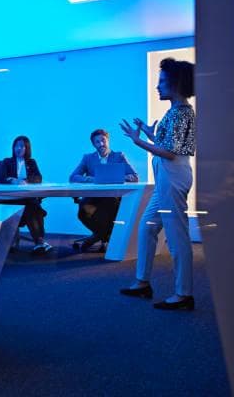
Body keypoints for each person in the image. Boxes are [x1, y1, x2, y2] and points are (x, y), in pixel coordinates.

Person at [119, 58, 196, 311]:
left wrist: (137, 141)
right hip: (167, 176)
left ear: (177, 83)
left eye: (162, 81)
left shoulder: (181, 112)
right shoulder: (176, 111)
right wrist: (149, 133)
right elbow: (169, 144)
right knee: (146, 227)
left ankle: (183, 294)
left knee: (176, 237)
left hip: (172, 176)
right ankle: (142, 282)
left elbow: (170, 152)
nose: (157, 86)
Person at [69, 129, 139, 251]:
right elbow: (73, 177)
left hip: (112, 198)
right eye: (97, 142)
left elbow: (135, 177)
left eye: (103, 140)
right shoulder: (88, 158)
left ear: (108, 141)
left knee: (110, 207)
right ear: (93, 144)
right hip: (93, 198)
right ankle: (103, 236)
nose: (101, 144)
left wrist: (117, 177)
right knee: (83, 212)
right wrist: (92, 179)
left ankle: (97, 237)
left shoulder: (119, 156)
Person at [0, 135, 51, 253]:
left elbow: (38, 178)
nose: (18, 148)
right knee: (33, 208)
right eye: (16, 146)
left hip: (26, 198)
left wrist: (25, 181)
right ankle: (40, 241)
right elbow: (1, 179)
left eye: (22, 146)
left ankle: (39, 242)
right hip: (10, 199)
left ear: (27, 148)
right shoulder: (6, 162)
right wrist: (13, 181)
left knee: (32, 207)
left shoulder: (31, 162)